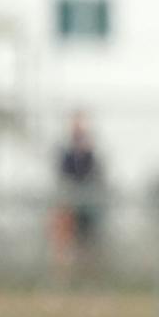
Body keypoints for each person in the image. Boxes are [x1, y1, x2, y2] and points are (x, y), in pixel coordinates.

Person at [51, 111, 105, 287]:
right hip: (70, 205)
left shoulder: (91, 156)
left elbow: (95, 176)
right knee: (65, 247)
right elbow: (63, 176)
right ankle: (63, 283)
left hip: (87, 206)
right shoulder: (66, 155)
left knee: (88, 247)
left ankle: (89, 283)